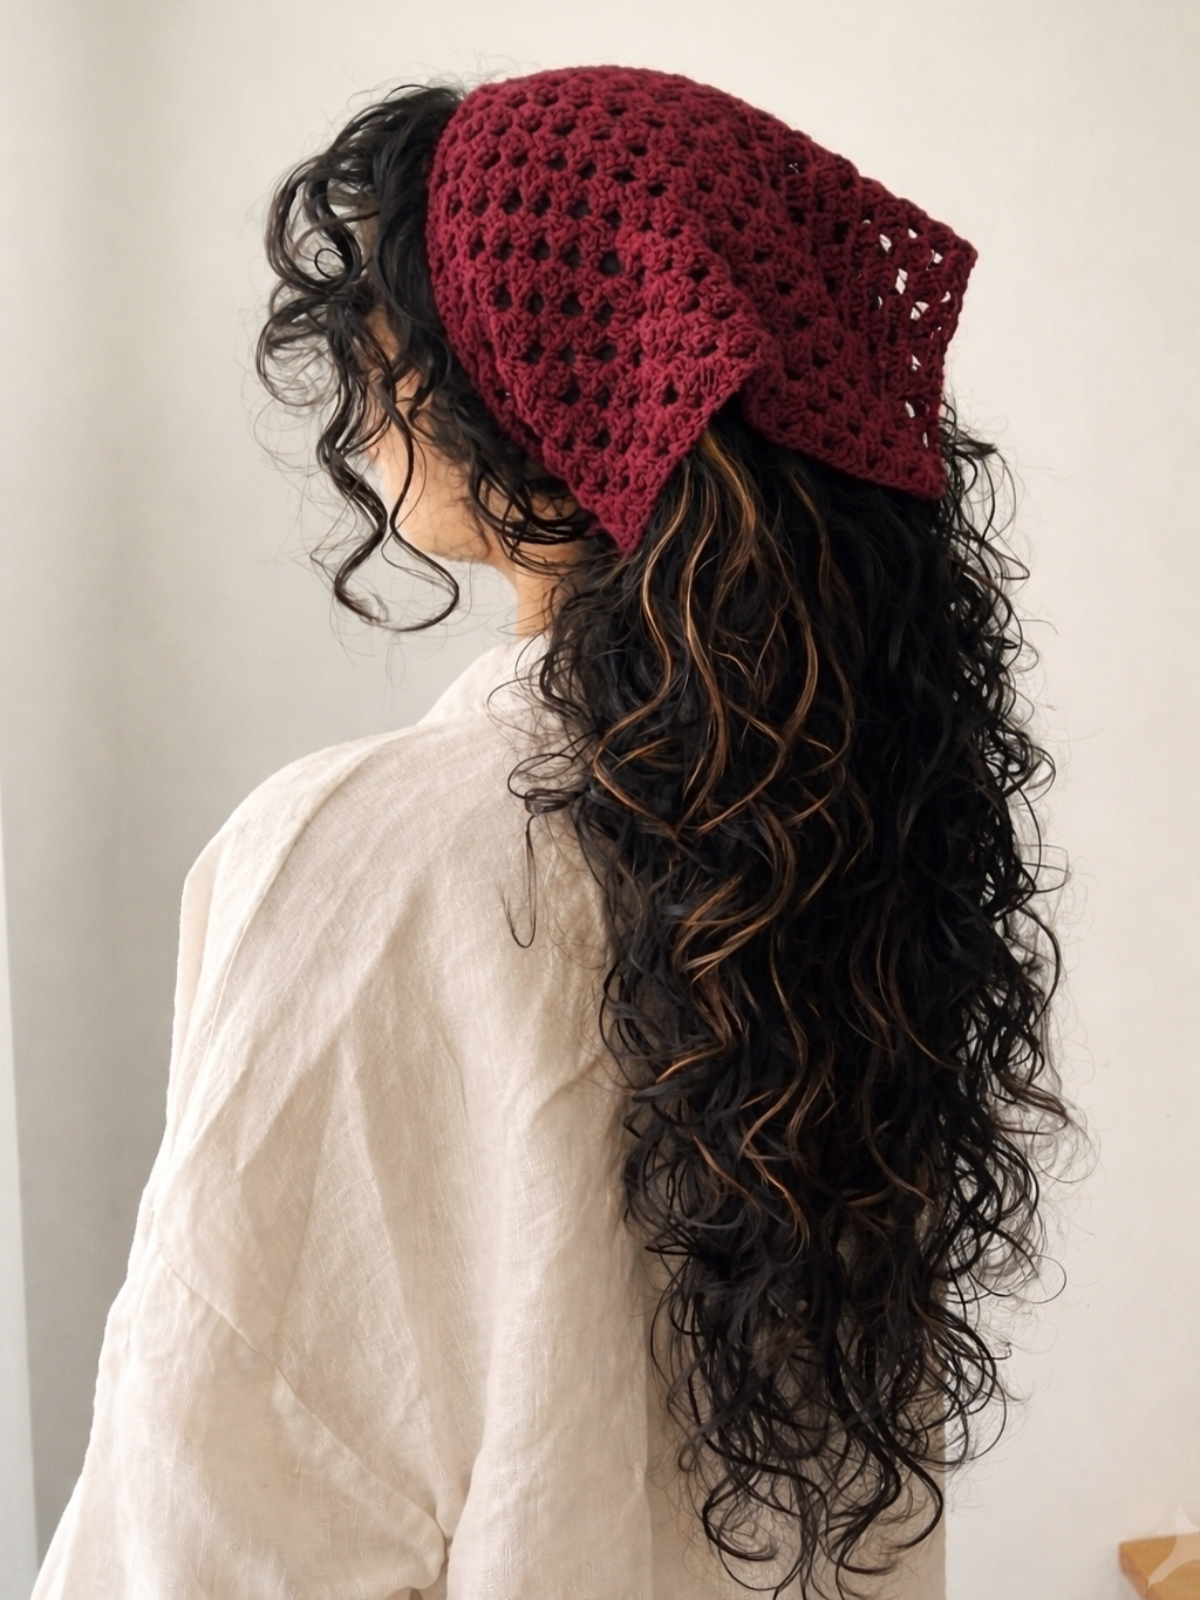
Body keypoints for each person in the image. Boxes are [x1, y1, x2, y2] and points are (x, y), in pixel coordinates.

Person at [31, 64, 1073, 1600]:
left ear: (544, 369)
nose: (362, 360)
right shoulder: (854, 866)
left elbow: (214, 1507)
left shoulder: (366, 856)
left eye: (402, 303)